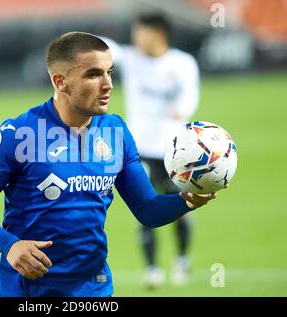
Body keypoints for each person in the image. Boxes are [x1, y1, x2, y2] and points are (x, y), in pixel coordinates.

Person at [0, 31, 217, 297]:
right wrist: (9, 245)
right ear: (60, 82)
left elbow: (146, 208)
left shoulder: (115, 131)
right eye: (94, 75)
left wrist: (186, 200)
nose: (108, 84)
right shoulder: (20, 134)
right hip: (26, 291)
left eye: (110, 72)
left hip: (94, 290)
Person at [101, 14, 200, 288]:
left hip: (173, 150)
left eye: (141, 33)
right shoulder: (132, 59)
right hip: (139, 149)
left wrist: (181, 110)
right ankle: (152, 269)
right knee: (143, 206)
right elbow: (110, 48)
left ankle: (181, 261)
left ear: (158, 34)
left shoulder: (181, 63)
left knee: (180, 205)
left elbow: (190, 95)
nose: (136, 38)